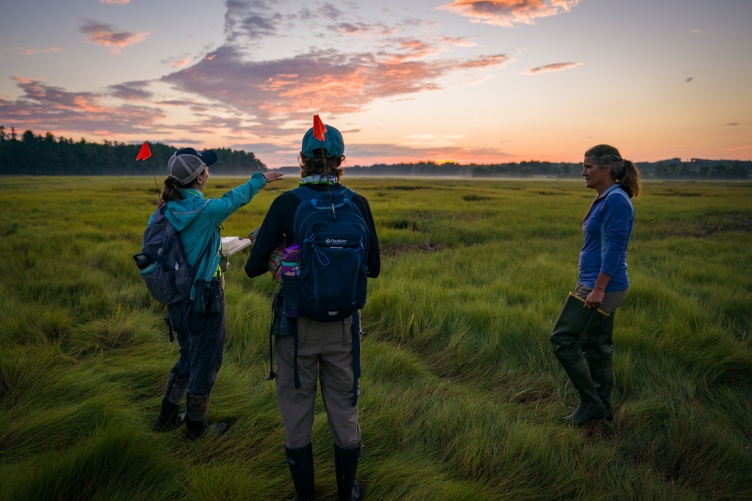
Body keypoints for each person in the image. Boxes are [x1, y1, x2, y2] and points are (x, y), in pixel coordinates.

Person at [245, 120, 380, 500]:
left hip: (296, 326)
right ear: (340, 161)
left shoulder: (286, 203)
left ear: (302, 160)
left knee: (296, 410)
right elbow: (374, 267)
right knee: (344, 409)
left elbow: (252, 267)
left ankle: (305, 495)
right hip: (345, 329)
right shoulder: (358, 203)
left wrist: (278, 253)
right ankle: (345, 492)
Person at [151, 147, 284, 439]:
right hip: (205, 298)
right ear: (200, 178)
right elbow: (236, 198)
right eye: (205, 169)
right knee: (206, 362)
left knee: (186, 357)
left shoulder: (162, 211)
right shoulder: (206, 210)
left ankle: (167, 416)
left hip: (176, 299)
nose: (207, 172)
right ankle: (197, 430)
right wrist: (261, 178)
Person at [550, 144, 641, 425]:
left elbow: (615, 247)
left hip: (601, 286)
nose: (583, 172)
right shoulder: (607, 197)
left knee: (563, 339)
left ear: (607, 169)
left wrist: (598, 288)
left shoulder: (615, 200)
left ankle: (592, 405)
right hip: (597, 283)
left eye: (588, 166)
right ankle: (603, 411)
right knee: (597, 346)